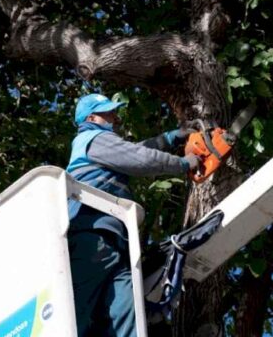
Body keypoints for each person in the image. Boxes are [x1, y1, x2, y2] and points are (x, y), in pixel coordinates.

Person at [66, 93, 200, 337]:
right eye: (108, 113)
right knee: (74, 316)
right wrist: (184, 163)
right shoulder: (92, 139)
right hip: (90, 237)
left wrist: (169, 138)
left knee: (128, 311)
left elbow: (134, 151)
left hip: (113, 244)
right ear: (92, 117)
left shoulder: (102, 144)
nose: (115, 118)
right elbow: (139, 158)